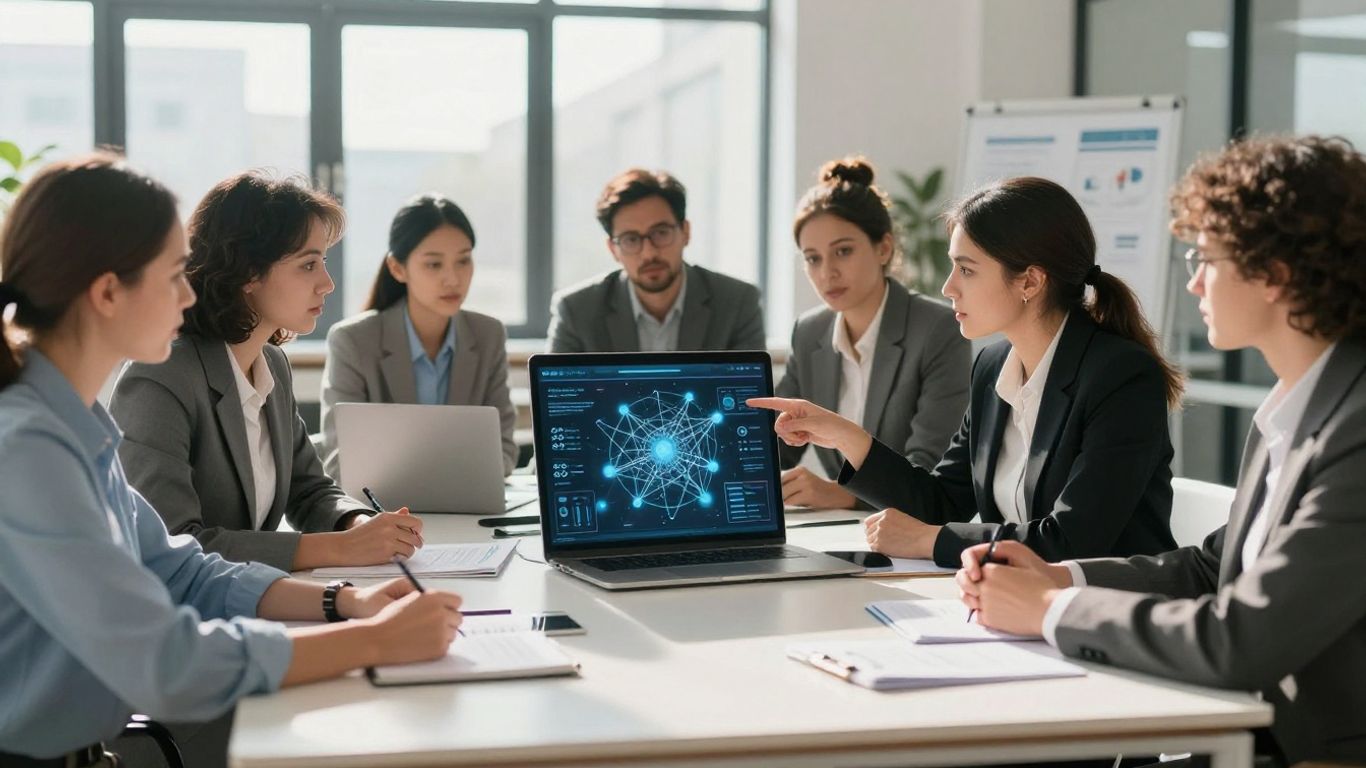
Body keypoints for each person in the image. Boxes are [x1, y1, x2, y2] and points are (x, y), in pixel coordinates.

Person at [0, 154, 462, 766]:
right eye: (174, 275)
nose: (191, 292)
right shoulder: (29, 448)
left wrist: (345, 602)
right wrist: (372, 642)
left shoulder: (78, 428)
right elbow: (165, 660)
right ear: (108, 292)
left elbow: (183, 570)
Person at [957, 135, 1366, 768]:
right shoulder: (1293, 408)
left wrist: (1050, 609)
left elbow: (1240, 642)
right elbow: (1212, 568)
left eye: (1207, 258)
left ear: (1274, 275)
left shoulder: (1355, 429)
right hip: (1237, 735)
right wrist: (1060, 576)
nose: (1194, 280)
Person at [751, 176, 1181, 566]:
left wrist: (931, 541)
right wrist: (845, 436)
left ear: (1030, 281)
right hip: (1014, 601)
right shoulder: (993, 367)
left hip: (1109, 607)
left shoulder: (1121, 376)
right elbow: (940, 503)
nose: (948, 287)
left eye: (967, 270)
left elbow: (1073, 541)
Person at [111, 171, 422, 573]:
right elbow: (175, 545)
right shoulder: (161, 376)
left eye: (323, 262)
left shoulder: (271, 363)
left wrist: (358, 524)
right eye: (308, 265)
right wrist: (340, 549)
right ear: (248, 273)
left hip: (252, 594)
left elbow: (309, 490)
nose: (327, 283)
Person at [775, 157, 969, 510]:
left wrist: (842, 494)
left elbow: (928, 474)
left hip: (908, 527)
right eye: (813, 258)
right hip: (839, 528)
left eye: (843, 251)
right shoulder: (809, 332)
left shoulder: (937, 329)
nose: (827, 273)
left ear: (884, 248)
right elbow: (775, 446)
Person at [321, 194, 517, 480]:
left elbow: (504, 449)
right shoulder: (353, 341)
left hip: (468, 502)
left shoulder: (488, 335)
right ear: (397, 268)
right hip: (384, 504)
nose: (453, 279)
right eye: (434, 264)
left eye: (463, 261)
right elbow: (340, 461)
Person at [547, 168, 766, 353]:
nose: (648, 253)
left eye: (660, 233)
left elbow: (749, 390)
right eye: (631, 239)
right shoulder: (576, 310)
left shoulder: (738, 303)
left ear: (685, 232)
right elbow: (558, 392)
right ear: (613, 249)